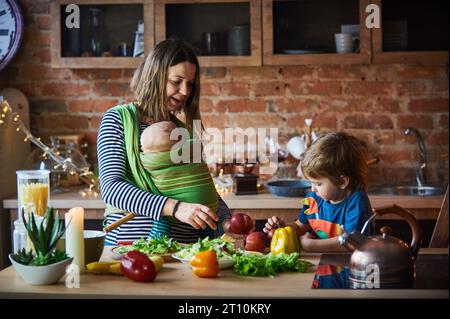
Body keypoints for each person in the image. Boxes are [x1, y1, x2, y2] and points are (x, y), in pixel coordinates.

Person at [97, 39, 230, 246]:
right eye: (176, 81)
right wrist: (176, 208)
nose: (185, 91)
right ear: (156, 77)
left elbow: (201, 187)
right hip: (131, 248)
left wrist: (227, 220)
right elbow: (112, 188)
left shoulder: (183, 130)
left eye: (190, 84)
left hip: (186, 252)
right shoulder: (118, 120)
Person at [263, 132, 374, 252]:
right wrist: (283, 228)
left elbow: (352, 242)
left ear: (342, 182)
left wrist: (312, 245)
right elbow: (300, 226)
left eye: (318, 184)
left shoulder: (356, 202)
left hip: (352, 264)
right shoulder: (313, 200)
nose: (312, 189)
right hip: (320, 261)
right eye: (311, 182)